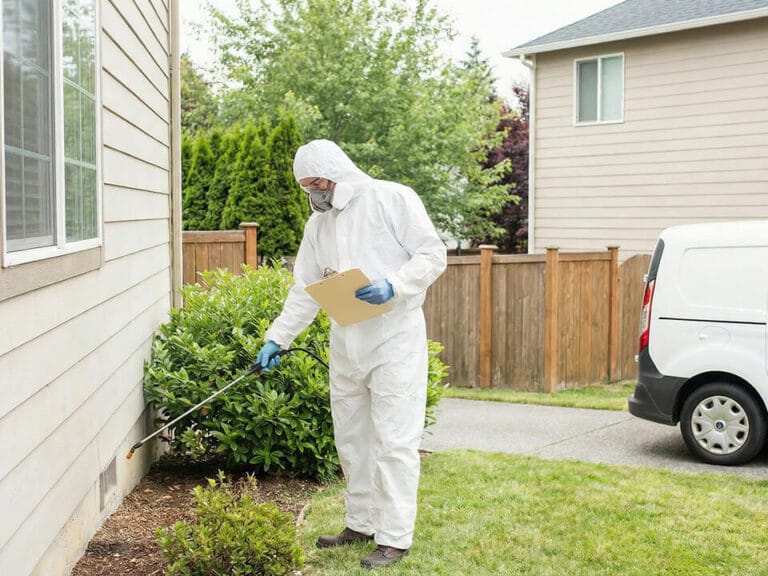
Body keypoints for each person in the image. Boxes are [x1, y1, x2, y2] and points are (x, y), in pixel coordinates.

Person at [256, 139, 447, 569]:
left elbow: (433, 254)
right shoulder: (317, 227)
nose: (314, 194)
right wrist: (278, 338)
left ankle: (395, 537)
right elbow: (304, 290)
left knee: (395, 441)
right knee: (352, 440)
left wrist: (393, 284)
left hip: (393, 337)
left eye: (317, 183)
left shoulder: (391, 198)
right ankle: (360, 524)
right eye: (306, 187)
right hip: (345, 341)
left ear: (335, 174)